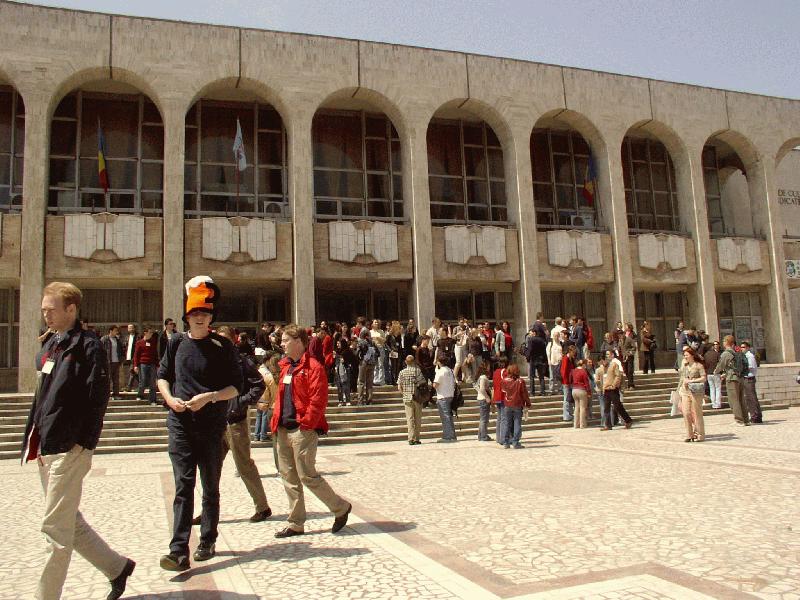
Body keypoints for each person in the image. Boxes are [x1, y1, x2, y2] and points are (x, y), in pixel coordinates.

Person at [22, 282, 135, 600]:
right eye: (44, 309)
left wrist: (84, 443)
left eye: (51, 309)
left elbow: (98, 397)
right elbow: (42, 395)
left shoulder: (88, 346)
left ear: (71, 309)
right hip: (46, 445)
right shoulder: (50, 345)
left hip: (70, 448)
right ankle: (117, 567)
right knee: (68, 520)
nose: (46, 314)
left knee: (54, 530)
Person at [157, 276, 243, 570]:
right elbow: (163, 376)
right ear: (187, 316)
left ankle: (207, 539)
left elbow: (236, 387)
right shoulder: (176, 343)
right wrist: (169, 399)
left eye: (204, 314)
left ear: (211, 317)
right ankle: (178, 549)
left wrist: (211, 397)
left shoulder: (222, 346)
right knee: (183, 485)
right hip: (180, 423)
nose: (199, 318)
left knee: (210, 485)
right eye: (194, 314)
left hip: (210, 425)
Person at [271, 324, 352, 538]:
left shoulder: (314, 367)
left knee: (307, 475)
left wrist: (307, 423)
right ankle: (296, 522)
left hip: (301, 429)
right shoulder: (286, 367)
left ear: (298, 342)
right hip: (283, 428)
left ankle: (340, 508)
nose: (282, 344)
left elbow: (318, 399)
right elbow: (280, 398)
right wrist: (275, 421)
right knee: (288, 476)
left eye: (285, 340)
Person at [206, 326, 271, 523]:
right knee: (210, 468)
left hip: (235, 422)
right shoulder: (212, 361)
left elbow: (258, 384)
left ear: (233, 340)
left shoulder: (240, 361)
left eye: (225, 339)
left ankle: (262, 507)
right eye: (218, 339)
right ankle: (208, 511)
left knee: (244, 466)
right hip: (215, 422)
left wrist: (240, 403)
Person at [714, 335, 750, 426]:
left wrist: (716, 372)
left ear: (726, 342)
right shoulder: (737, 352)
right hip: (740, 377)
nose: (722, 343)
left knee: (734, 399)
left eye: (723, 341)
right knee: (741, 398)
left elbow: (721, 365)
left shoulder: (726, 353)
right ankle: (746, 419)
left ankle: (739, 420)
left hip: (732, 378)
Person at [396, 355, 427, 445]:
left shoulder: (402, 372)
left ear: (406, 362)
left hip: (407, 397)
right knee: (417, 418)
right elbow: (422, 383)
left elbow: (399, 386)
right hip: (417, 397)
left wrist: (404, 393)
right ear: (414, 362)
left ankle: (411, 438)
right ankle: (417, 438)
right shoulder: (417, 371)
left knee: (410, 419)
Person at [678, 347, 706, 442]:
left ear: (692, 355)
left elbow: (703, 378)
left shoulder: (699, 366)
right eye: (684, 355)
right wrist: (679, 389)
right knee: (686, 412)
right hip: (685, 391)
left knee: (697, 413)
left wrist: (692, 381)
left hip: (695, 391)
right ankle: (689, 434)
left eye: (686, 355)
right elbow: (682, 378)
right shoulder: (685, 366)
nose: (685, 357)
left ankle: (700, 434)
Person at [500, 364, 530, 448]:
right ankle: (515, 442)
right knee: (517, 423)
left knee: (507, 423)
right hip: (517, 404)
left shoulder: (504, 381)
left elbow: (503, 391)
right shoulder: (520, 381)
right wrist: (527, 403)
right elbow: (524, 394)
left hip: (507, 404)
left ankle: (506, 442)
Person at [601, 349, 632, 430]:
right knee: (606, 408)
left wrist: (614, 385)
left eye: (608, 354)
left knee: (618, 406)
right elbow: (604, 377)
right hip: (606, 389)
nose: (606, 356)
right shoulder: (604, 366)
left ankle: (628, 420)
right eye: (606, 355)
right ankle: (608, 425)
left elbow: (618, 376)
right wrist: (603, 387)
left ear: (612, 355)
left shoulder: (614, 364)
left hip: (613, 389)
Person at [254, 354, 279, 442]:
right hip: (270, 400)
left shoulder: (260, 371)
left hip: (261, 397)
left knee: (259, 416)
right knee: (264, 417)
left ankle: (257, 435)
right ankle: (263, 435)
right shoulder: (268, 374)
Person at [433, 357, 457, 442]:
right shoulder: (450, 370)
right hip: (450, 395)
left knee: (445, 417)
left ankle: (448, 436)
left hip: (442, 396)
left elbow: (435, 384)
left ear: (439, 362)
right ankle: (452, 435)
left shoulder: (440, 372)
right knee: (449, 416)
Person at [133, 327, 160, 405]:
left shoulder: (153, 342)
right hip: (143, 363)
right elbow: (136, 355)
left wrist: (157, 364)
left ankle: (153, 400)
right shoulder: (139, 342)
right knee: (143, 380)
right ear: (145, 333)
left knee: (152, 382)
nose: (151, 334)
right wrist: (135, 365)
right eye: (150, 332)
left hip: (152, 364)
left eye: (152, 333)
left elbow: (155, 354)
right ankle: (140, 395)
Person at [740, 341, 763, 423]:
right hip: (746, 378)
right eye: (741, 347)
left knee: (751, 398)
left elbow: (752, 367)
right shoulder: (745, 356)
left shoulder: (750, 356)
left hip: (749, 378)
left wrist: (742, 367)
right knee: (749, 398)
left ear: (748, 348)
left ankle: (755, 416)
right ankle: (755, 415)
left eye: (743, 347)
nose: (742, 349)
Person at [100, 325, 124, 400]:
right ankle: (107, 395)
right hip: (108, 362)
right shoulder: (104, 339)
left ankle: (116, 394)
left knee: (116, 379)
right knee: (108, 379)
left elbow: (121, 350)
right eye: (115, 330)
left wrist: (121, 360)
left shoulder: (117, 340)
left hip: (116, 362)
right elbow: (100, 350)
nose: (117, 332)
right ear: (111, 331)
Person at [356, 328, 378, 405]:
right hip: (372, 363)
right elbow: (378, 353)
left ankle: (360, 401)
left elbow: (357, 353)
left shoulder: (361, 342)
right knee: (369, 383)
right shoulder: (372, 343)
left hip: (363, 363)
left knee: (361, 382)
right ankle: (369, 400)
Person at [526, 327, 548, 396]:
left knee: (532, 376)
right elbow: (544, 351)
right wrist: (545, 360)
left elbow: (530, 350)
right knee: (541, 377)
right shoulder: (542, 340)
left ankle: (532, 392)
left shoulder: (531, 340)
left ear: (534, 333)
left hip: (533, 359)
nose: (530, 334)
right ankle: (543, 392)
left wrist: (528, 358)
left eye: (531, 332)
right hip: (540, 359)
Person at [570, 359, 592, 429]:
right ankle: (582, 424)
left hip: (574, 390)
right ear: (583, 365)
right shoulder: (583, 371)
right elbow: (586, 383)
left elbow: (570, 379)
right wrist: (589, 392)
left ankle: (576, 424)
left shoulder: (573, 371)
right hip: (582, 390)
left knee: (576, 407)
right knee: (583, 408)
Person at [492, 357, 508, 445]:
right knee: (504, 418)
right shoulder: (504, 372)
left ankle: (498, 437)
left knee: (499, 418)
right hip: (503, 396)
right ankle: (503, 438)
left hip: (497, 396)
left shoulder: (495, 372)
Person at [474, 361, 492, 441]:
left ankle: (481, 435)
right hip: (483, 399)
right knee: (484, 419)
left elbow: (477, 387)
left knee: (483, 418)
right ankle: (483, 436)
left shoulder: (480, 377)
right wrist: (487, 397)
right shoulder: (483, 377)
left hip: (481, 398)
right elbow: (482, 389)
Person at [560, 344, 577, 421]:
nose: (574, 353)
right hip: (566, 382)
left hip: (570, 381)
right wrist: (566, 382)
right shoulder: (565, 359)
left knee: (570, 399)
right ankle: (566, 415)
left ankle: (570, 414)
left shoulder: (571, 359)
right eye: (573, 352)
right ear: (570, 351)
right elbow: (563, 371)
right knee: (566, 399)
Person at [704, 341, 722, 409]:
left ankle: (713, 403)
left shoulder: (706, 354)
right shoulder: (716, 354)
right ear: (712, 347)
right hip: (716, 373)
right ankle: (718, 404)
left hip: (709, 373)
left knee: (712, 389)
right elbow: (720, 363)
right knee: (717, 388)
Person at [122, 323, 139, 392]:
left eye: (131, 328)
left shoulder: (137, 337)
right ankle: (143, 384)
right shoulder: (127, 337)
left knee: (132, 371)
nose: (130, 329)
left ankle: (128, 387)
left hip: (134, 357)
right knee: (134, 373)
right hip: (128, 357)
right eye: (129, 328)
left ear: (134, 328)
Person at [547, 330, 563, 395]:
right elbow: (548, 353)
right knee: (551, 377)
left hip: (559, 363)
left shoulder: (561, 344)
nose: (556, 337)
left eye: (557, 336)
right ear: (553, 336)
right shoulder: (550, 344)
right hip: (552, 361)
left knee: (559, 377)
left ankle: (560, 389)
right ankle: (551, 390)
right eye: (555, 336)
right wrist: (549, 360)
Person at [621, 325, 637, 389]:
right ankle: (630, 384)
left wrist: (630, 352)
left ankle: (631, 385)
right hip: (624, 358)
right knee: (626, 371)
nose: (620, 336)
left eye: (621, 335)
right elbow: (620, 348)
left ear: (624, 334)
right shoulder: (620, 341)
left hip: (629, 357)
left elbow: (634, 347)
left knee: (630, 370)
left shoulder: (629, 339)